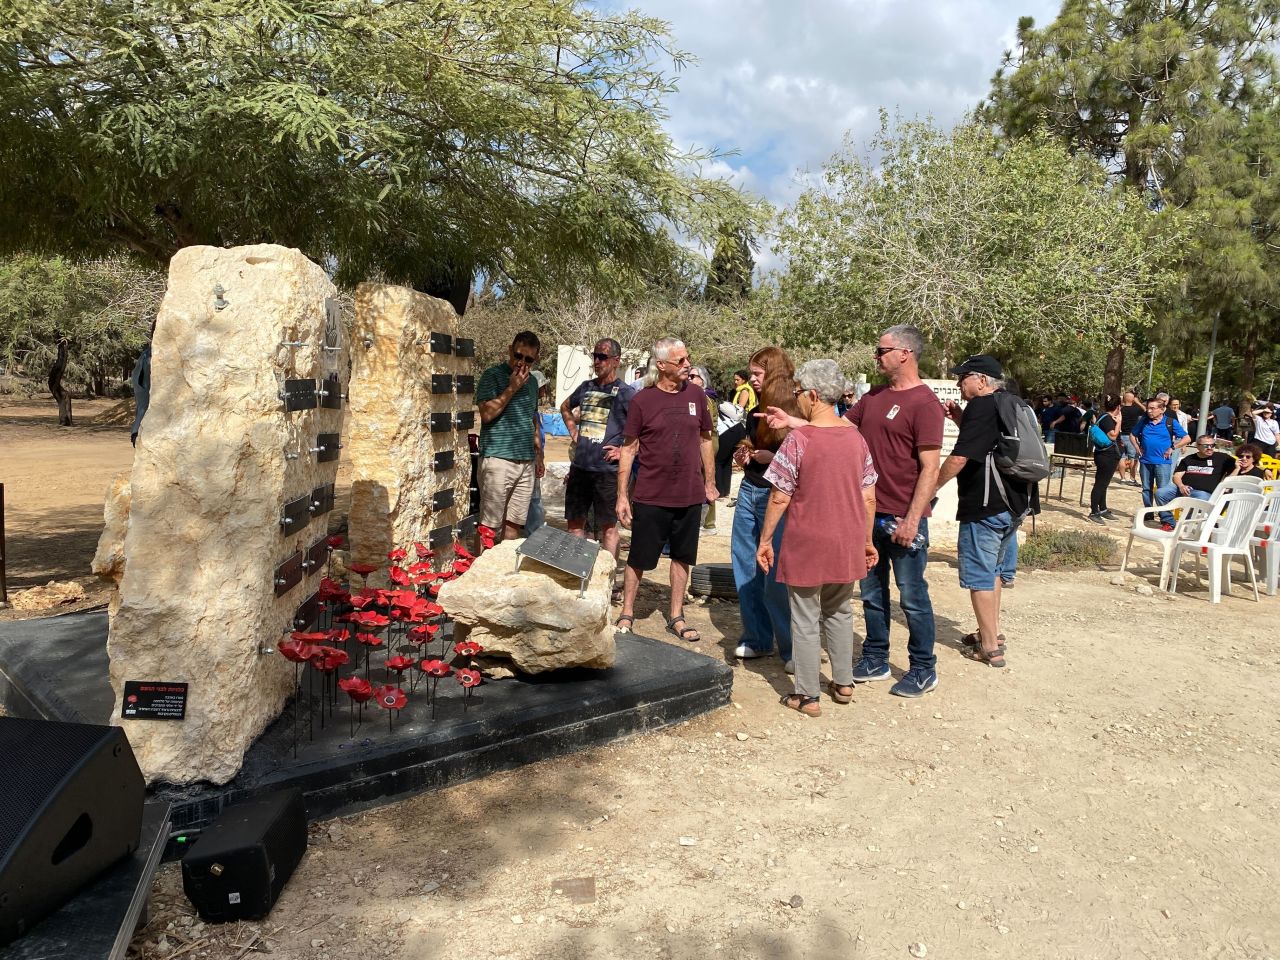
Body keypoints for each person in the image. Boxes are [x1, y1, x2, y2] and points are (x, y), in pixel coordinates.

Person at [756, 360, 878, 717]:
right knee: (840, 610)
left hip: (807, 541)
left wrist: (765, 540)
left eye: (799, 394)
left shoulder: (800, 439)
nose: (797, 400)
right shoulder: (855, 438)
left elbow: (780, 495)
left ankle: (807, 694)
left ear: (812, 395)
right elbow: (869, 494)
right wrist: (867, 540)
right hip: (847, 539)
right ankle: (843, 682)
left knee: (805, 615)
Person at [847, 324, 945, 697]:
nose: (877, 356)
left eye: (881, 350)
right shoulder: (873, 397)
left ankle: (923, 667)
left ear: (905, 352)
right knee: (871, 592)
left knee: (912, 596)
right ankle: (875, 657)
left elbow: (930, 468)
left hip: (902, 519)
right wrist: (796, 423)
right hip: (868, 515)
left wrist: (912, 519)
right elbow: (838, 429)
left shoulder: (925, 404)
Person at [934, 355, 1040, 668]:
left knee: (980, 575)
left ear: (981, 380)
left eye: (962, 377)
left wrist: (927, 491)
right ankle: (990, 631)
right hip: (1014, 504)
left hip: (985, 507)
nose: (958, 383)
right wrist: (958, 419)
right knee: (993, 571)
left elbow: (960, 458)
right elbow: (991, 443)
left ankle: (989, 647)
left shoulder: (982, 405)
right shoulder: (1012, 403)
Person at [614, 338, 718, 642]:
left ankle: (676, 616)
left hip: (689, 493)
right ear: (661, 365)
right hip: (650, 494)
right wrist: (622, 495)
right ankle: (627, 612)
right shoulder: (642, 401)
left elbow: (705, 439)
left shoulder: (697, 395)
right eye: (681, 361)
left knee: (683, 556)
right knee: (639, 557)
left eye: (688, 359)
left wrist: (709, 483)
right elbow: (629, 449)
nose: (688, 365)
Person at [720, 347, 799, 668]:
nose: (752, 379)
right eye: (751, 373)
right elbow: (756, 443)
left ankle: (793, 650)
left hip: (777, 498)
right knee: (745, 566)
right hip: (750, 490)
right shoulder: (759, 406)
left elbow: (805, 455)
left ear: (775, 374)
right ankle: (758, 638)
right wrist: (746, 452)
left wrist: (774, 459)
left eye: (757, 374)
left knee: (775, 573)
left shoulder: (796, 408)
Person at [560, 338, 634, 560]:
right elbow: (565, 407)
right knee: (574, 525)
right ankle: (575, 574)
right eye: (595, 356)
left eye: (602, 357)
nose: (597, 361)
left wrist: (624, 451)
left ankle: (608, 583)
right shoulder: (586, 387)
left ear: (616, 361)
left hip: (607, 472)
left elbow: (644, 432)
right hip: (580, 468)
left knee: (608, 529)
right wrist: (573, 430)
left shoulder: (626, 393)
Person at [475, 331, 544, 542]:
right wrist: (512, 388)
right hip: (498, 459)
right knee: (489, 527)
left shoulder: (532, 383)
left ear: (535, 360)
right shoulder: (492, 375)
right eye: (518, 355)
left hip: (525, 462)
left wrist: (539, 454)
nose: (521, 363)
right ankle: (484, 573)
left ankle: (504, 573)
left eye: (528, 359)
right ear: (509, 350)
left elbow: (531, 419)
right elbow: (486, 414)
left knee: (514, 525)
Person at [1153, 434, 1236, 527]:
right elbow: (1176, 476)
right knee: (1160, 493)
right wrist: (1181, 486)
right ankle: (1169, 522)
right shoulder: (1189, 459)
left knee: (1201, 499)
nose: (1210, 448)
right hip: (1183, 489)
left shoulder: (1222, 458)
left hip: (1204, 493)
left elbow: (1239, 465)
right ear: (1197, 446)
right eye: (1206, 446)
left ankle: (1183, 524)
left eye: (1212, 445)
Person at [1132, 397, 1189, 521]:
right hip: (1146, 461)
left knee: (1162, 491)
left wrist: (1173, 447)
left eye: (1153, 408)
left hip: (1163, 463)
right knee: (1146, 489)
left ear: (1162, 410)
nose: (1149, 411)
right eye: (1148, 408)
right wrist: (1137, 447)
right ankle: (1148, 512)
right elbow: (1132, 435)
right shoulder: (1144, 421)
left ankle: (1164, 516)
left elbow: (1186, 438)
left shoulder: (1170, 422)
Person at [688, 366, 721, 534]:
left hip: (708, 441)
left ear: (702, 379)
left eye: (694, 376)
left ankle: (707, 523)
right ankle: (708, 522)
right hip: (707, 440)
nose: (690, 378)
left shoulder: (705, 397)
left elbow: (706, 430)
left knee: (705, 480)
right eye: (689, 375)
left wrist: (701, 450)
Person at [1087, 394, 1124, 524]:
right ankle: (1093, 512)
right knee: (1100, 484)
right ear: (1118, 407)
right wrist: (1119, 422)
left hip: (1105, 455)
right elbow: (1113, 436)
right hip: (1106, 456)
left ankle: (1102, 509)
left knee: (1104, 484)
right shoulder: (1108, 419)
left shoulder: (1104, 416)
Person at [523, 370, 553, 535]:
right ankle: (534, 532)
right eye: (542, 387)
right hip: (529, 457)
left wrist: (541, 457)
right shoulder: (530, 412)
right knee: (534, 498)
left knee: (534, 496)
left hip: (536, 456)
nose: (543, 390)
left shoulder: (536, 411)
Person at [1118, 390, 1144, 485]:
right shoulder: (1136, 409)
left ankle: (1122, 478)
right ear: (1133, 399)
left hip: (1121, 435)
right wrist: (1138, 402)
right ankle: (1132, 479)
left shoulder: (1120, 409)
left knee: (1122, 457)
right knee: (1134, 458)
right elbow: (1147, 411)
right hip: (1132, 436)